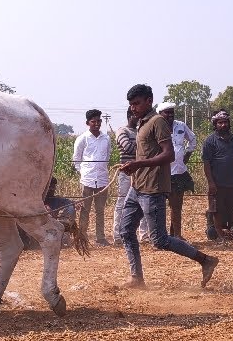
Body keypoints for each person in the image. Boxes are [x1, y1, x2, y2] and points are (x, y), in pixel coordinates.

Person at [116, 84, 219, 288]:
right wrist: (135, 167)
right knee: (126, 231)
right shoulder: (142, 123)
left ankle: (206, 260)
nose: (133, 108)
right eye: (131, 104)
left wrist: (138, 164)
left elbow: (169, 155)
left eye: (137, 103)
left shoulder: (158, 122)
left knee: (160, 240)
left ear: (149, 101)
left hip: (152, 189)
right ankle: (136, 278)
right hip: (137, 187)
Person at [71, 108, 111, 246]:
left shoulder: (106, 138)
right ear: (88, 123)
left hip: (102, 179)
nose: (97, 124)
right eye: (94, 121)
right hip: (87, 179)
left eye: (99, 121)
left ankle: (100, 237)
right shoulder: (82, 138)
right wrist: (83, 172)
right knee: (85, 210)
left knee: (100, 210)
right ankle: (82, 236)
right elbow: (76, 159)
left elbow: (107, 157)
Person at [201, 109, 233, 242]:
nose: (223, 125)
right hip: (217, 183)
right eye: (220, 123)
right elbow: (206, 164)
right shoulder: (209, 141)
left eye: (225, 122)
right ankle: (221, 238)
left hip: (232, 182)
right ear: (215, 124)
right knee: (216, 211)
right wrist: (211, 183)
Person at [158, 102, 197, 238]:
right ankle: (163, 236)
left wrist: (187, 154)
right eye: (166, 112)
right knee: (160, 207)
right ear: (160, 114)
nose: (170, 115)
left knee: (176, 206)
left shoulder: (180, 125)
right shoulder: (156, 128)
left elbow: (192, 139)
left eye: (171, 112)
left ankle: (177, 235)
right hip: (162, 173)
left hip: (179, 172)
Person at [111, 110, 138, 245]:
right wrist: (145, 148)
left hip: (140, 171)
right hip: (126, 173)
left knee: (143, 202)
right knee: (122, 202)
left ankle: (144, 235)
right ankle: (117, 235)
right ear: (129, 116)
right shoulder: (122, 131)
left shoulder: (140, 131)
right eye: (135, 115)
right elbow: (128, 148)